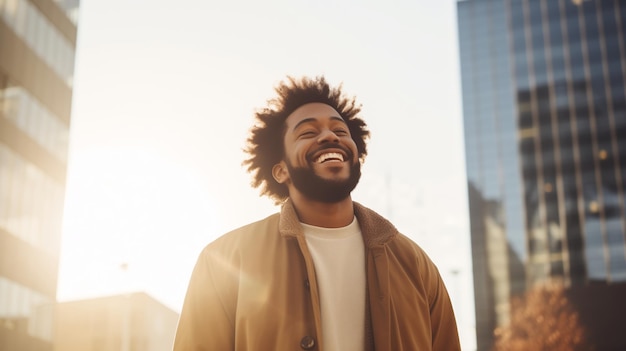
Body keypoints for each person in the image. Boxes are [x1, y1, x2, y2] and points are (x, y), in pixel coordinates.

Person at [173, 76, 460, 351]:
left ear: (356, 155)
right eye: (308, 132)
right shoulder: (224, 261)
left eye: (340, 131)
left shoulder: (415, 265)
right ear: (281, 170)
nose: (328, 137)